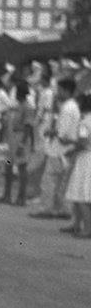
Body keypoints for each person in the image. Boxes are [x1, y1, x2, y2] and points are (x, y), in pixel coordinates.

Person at [30, 77, 80, 220]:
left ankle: (47, 208)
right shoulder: (72, 107)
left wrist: (49, 132)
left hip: (59, 150)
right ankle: (62, 209)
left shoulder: (68, 108)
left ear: (66, 90)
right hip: (64, 150)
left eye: (59, 90)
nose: (58, 93)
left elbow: (61, 132)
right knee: (61, 182)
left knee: (50, 180)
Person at [0, 82, 35, 206]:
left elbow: (28, 127)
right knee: (8, 165)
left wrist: (23, 144)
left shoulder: (28, 107)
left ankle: (21, 198)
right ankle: (7, 195)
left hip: (20, 139)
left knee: (22, 167)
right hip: (11, 140)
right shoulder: (17, 106)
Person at [63, 93, 91, 238]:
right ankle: (77, 224)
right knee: (82, 193)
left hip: (85, 159)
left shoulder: (85, 122)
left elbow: (83, 142)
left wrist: (71, 149)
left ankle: (87, 228)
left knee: (81, 194)